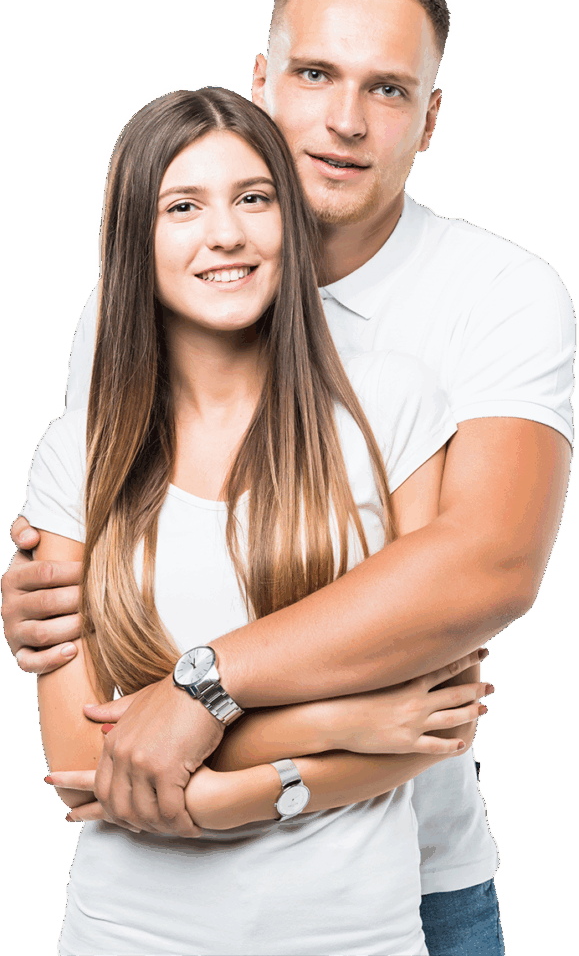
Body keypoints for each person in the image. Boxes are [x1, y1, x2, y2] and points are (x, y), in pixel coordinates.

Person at [2, 0, 574, 955]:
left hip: (406, 879)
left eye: (388, 88)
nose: (346, 119)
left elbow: (480, 573)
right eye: (315, 73)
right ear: (261, 80)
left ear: (431, 118)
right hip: (143, 907)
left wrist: (200, 691)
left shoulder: (491, 299)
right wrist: (53, 603)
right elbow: (92, 704)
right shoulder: (131, 314)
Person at [23, 84, 490, 956]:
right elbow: (84, 767)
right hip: (128, 936)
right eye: (183, 206)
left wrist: (201, 762)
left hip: (354, 937)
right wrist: (337, 724)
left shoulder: (391, 406)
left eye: (253, 198)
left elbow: (439, 714)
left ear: (289, 222)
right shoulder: (78, 454)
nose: (226, 234)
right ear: (133, 239)